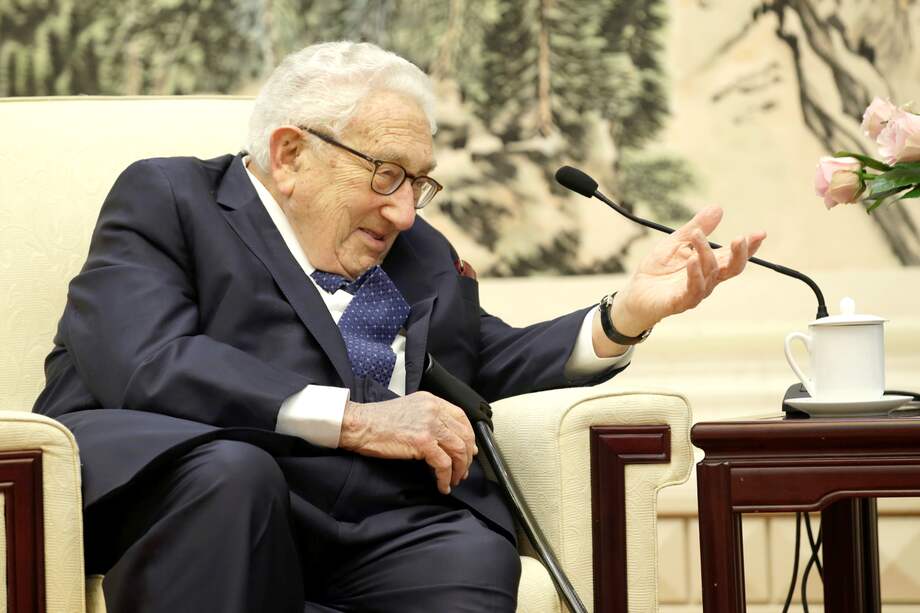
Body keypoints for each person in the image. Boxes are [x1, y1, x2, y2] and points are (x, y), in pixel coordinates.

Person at [34, 41, 765, 613]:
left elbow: (482, 360)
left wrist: (624, 315)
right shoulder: (171, 198)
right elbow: (147, 362)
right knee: (235, 476)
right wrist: (357, 420)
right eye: (387, 174)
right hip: (193, 484)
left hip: (372, 520)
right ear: (290, 155)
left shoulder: (420, 252)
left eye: (420, 181)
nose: (406, 211)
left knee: (466, 545)